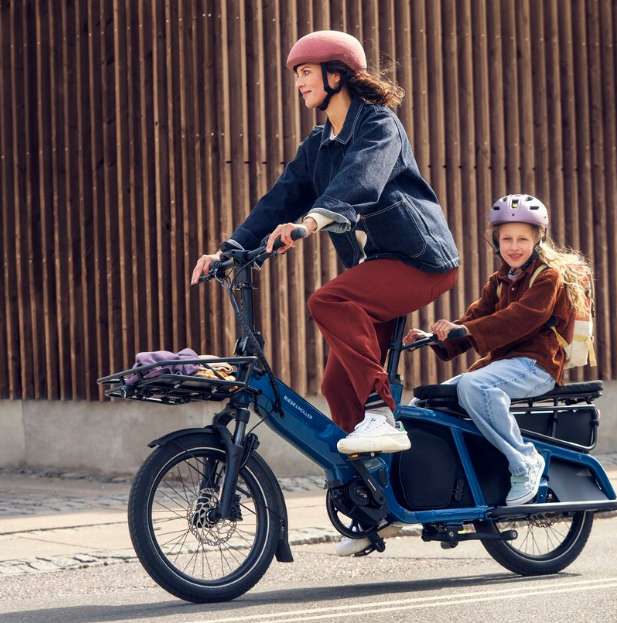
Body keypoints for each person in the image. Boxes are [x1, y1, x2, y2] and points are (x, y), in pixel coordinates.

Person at [190, 30, 459, 457]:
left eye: (306, 72)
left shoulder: (379, 123)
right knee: (335, 382)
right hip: (379, 266)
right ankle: (374, 488)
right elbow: (280, 198)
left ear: (337, 74)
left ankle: (381, 415)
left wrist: (311, 222)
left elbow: (362, 178)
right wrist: (228, 250)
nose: (299, 83)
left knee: (328, 302)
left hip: (422, 260)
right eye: (297, 75)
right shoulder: (317, 144)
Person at [404, 194, 592, 506]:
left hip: (537, 365)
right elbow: (476, 318)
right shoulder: (500, 280)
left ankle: (524, 461)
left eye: (522, 239)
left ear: (537, 239)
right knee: (425, 403)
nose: (514, 246)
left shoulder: (548, 276)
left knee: (475, 384)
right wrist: (438, 335)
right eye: (506, 238)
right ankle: (438, 487)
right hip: (503, 366)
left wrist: (467, 330)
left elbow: (523, 318)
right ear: (496, 241)